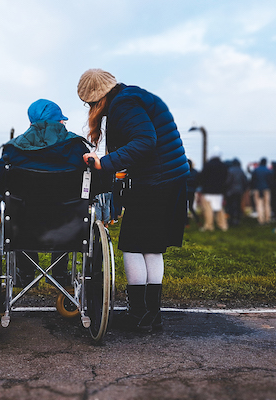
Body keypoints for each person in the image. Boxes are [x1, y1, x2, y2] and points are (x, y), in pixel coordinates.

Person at [77, 68, 189, 333]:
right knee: (151, 247)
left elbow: (145, 140)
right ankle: (151, 314)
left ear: (98, 98)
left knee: (132, 246)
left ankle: (139, 312)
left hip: (155, 181)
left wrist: (104, 163)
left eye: (90, 103)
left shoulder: (124, 104)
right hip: (169, 179)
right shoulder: (133, 97)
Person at [0, 99, 94, 286]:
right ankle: (61, 274)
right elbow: (96, 184)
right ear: (60, 122)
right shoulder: (77, 148)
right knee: (65, 213)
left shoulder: (13, 149)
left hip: (23, 225)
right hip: (68, 225)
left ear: (31, 123)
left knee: (20, 214)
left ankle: (26, 273)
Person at [199, 147, 228, 231]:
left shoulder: (208, 165)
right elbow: (226, 178)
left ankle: (209, 226)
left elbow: (202, 177)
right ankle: (223, 225)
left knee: (208, 209)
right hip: (219, 191)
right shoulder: (223, 165)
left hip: (208, 191)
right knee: (219, 208)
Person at [224, 158, 248, 227]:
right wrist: (243, 189)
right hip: (239, 191)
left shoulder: (230, 170)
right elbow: (245, 181)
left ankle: (231, 220)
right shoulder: (241, 171)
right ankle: (237, 219)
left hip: (230, 191)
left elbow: (227, 181)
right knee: (237, 205)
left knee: (231, 206)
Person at [250, 158, 273, 225]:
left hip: (257, 189)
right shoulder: (268, 170)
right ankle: (267, 219)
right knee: (267, 204)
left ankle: (261, 220)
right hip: (266, 189)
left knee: (259, 205)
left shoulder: (256, 170)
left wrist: (252, 188)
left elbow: (253, 180)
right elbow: (270, 181)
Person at [186, 159, 200, 226]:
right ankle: (198, 221)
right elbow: (198, 181)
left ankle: (187, 223)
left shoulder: (184, 171)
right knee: (191, 207)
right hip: (192, 191)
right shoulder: (195, 172)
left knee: (184, 208)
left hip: (185, 191)